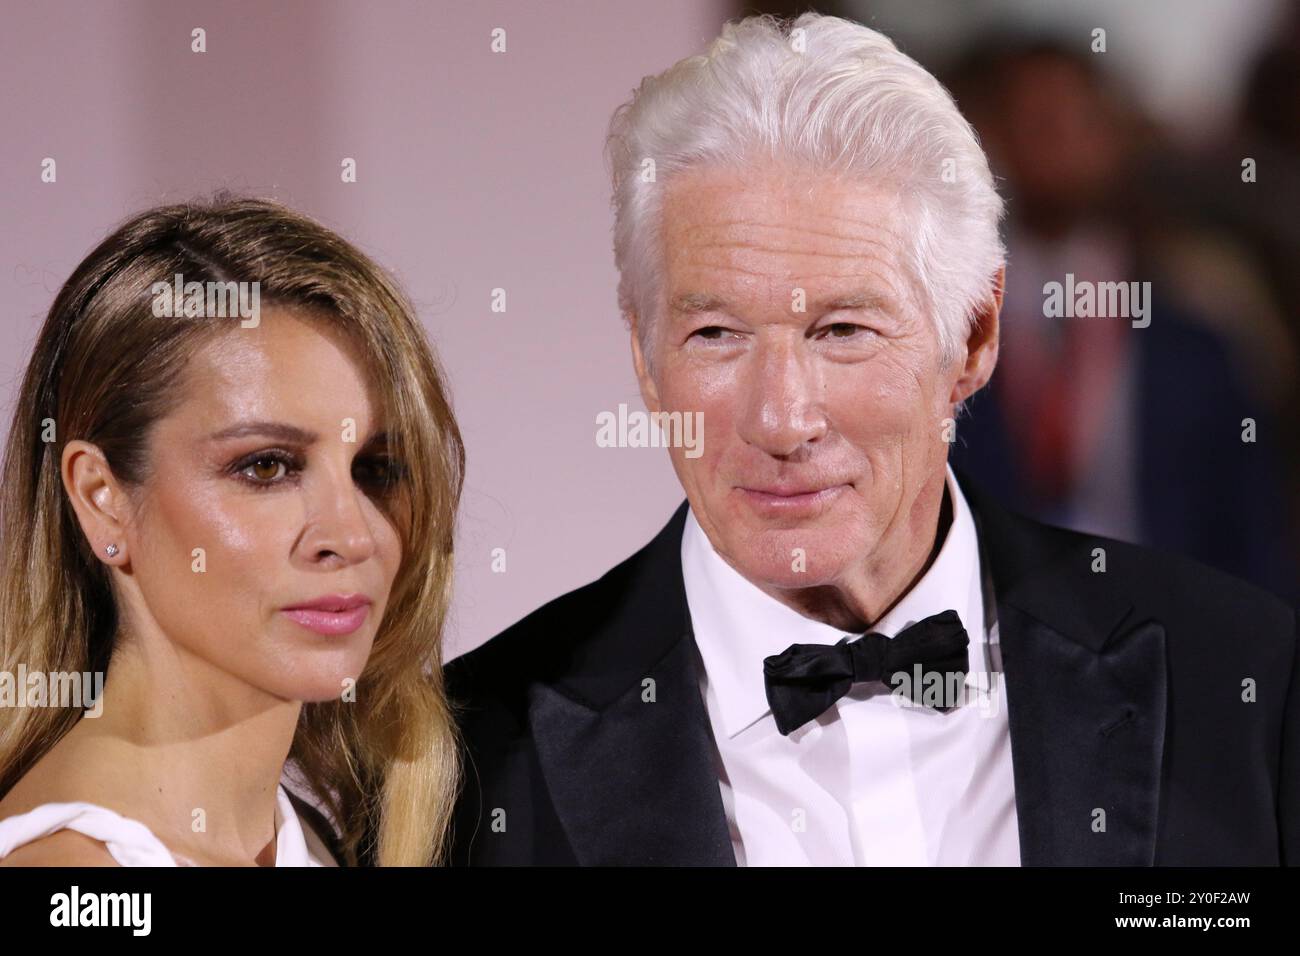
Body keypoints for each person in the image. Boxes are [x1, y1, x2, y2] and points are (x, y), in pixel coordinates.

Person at [444, 13, 1298, 866]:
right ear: (643, 355)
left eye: (843, 330)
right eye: (715, 335)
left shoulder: (1244, 678)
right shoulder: (473, 759)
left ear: (972, 337)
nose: (781, 420)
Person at [0, 196, 464, 866]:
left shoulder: (310, 841)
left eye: (376, 469)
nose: (352, 535)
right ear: (102, 500)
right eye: (267, 466)